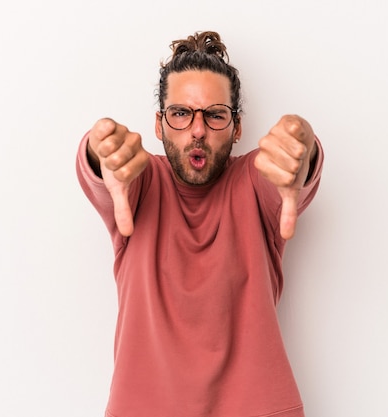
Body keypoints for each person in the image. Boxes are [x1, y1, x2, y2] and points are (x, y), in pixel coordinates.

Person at [76, 31, 324, 417]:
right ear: (158, 124)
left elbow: (285, 170)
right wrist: (99, 152)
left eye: (215, 114)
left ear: (236, 127)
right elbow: (106, 168)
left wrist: (302, 150)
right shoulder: (139, 182)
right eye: (180, 113)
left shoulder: (254, 182)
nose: (197, 129)